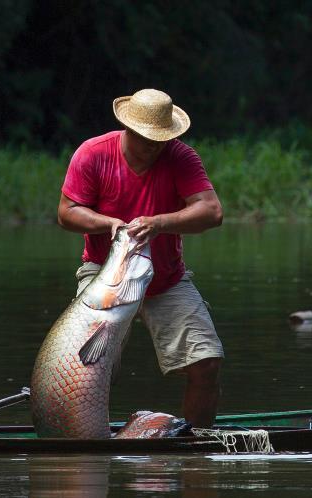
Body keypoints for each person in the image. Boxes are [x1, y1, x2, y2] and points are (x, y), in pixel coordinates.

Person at [57, 88, 224, 428]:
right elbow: (67, 212)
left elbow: (212, 211)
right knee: (83, 368)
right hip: (104, 274)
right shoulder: (93, 153)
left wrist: (160, 222)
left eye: (161, 139)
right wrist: (109, 224)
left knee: (206, 362)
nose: (155, 146)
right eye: (147, 139)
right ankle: (82, 438)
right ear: (128, 130)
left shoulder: (181, 157)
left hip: (165, 278)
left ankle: (199, 446)